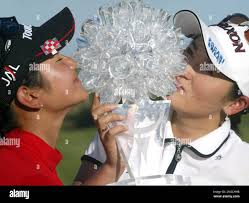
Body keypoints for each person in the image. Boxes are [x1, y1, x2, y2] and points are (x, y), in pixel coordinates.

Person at [73, 11, 249, 185]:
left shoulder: (242, 168)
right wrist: (110, 169)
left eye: (208, 69)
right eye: (189, 52)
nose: (184, 69)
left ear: (236, 104)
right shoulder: (123, 120)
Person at [0, 7, 127, 186]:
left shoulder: (20, 160)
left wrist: (110, 168)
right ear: (30, 96)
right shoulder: (20, 171)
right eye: (58, 60)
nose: (73, 63)